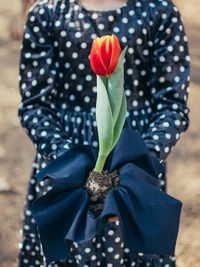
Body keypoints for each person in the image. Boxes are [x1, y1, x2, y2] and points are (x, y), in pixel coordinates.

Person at [18, 0, 190, 266]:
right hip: (65, 163)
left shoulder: (159, 11)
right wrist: (72, 168)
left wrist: (134, 170)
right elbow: (35, 105)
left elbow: (172, 106)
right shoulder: (47, 12)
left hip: (133, 162)